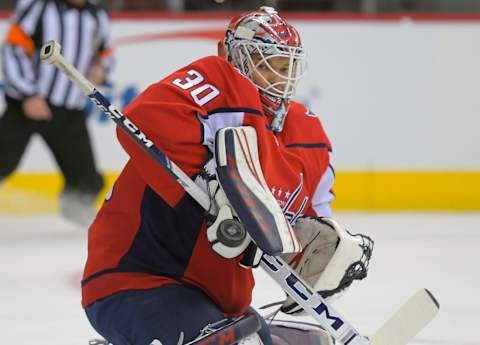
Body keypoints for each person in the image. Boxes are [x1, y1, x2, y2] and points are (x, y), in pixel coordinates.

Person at [82, 6, 373, 345]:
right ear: (235, 56)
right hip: (137, 282)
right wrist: (213, 179)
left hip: (222, 302)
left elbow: (305, 223)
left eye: (286, 67)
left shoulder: (308, 135)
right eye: (270, 66)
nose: (280, 77)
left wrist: (321, 252)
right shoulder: (221, 85)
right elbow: (145, 118)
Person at [0, 0, 113, 226]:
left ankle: (74, 208)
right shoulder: (38, 6)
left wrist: (101, 67)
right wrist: (27, 93)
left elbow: (105, 52)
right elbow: (14, 47)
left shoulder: (97, 14)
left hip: (69, 111)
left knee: (88, 181)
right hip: (27, 107)